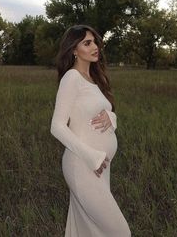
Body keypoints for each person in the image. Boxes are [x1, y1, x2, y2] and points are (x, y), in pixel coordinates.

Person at [50, 24, 131, 236]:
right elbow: (57, 126)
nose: (95, 46)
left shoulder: (94, 79)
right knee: (121, 232)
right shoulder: (71, 78)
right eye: (87, 43)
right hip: (83, 164)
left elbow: (99, 112)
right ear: (74, 50)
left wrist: (111, 117)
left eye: (95, 41)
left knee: (91, 230)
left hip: (100, 166)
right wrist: (91, 157)